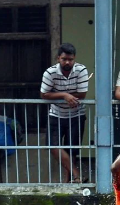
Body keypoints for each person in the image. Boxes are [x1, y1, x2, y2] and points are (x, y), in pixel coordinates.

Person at [40, 44, 89, 183]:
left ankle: (70, 181)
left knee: (72, 149)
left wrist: (57, 95)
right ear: (58, 58)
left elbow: (82, 94)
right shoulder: (50, 72)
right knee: (52, 145)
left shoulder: (81, 70)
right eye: (64, 59)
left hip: (77, 114)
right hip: (56, 114)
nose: (67, 62)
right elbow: (44, 94)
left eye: (70, 59)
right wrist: (64, 95)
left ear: (74, 59)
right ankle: (76, 174)